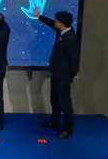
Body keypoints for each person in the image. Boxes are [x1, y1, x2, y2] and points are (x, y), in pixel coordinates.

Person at [34, 8, 80, 139]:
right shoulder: (62, 31)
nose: (54, 22)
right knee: (54, 99)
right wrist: (39, 16)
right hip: (56, 72)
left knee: (64, 102)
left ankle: (67, 128)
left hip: (64, 75)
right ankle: (54, 122)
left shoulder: (70, 37)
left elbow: (74, 57)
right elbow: (50, 23)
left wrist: (74, 72)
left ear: (62, 23)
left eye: (56, 21)